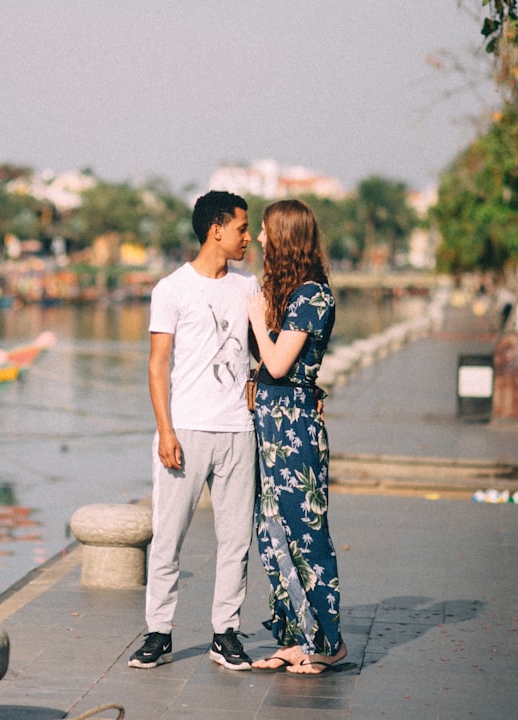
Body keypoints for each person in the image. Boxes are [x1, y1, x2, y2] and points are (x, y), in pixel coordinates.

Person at [128, 190, 260, 671]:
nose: (248, 237)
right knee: (168, 537)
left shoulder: (249, 287)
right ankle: (159, 633)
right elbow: (158, 363)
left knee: (235, 540)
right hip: (185, 429)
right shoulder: (172, 289)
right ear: (216, 230)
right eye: (242, 228)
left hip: (237, 431)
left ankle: (225, 633)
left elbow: (261, 350)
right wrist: (165, 431)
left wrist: (255, 383)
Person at [245, 198, 347, 675]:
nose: (261, 240)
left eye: (266, 232)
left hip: (295, 429)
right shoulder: (289, 294)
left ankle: (327, 642)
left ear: (285, 237)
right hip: (270, 426)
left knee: (306, 534)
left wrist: (256, 316)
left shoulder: (312, 295)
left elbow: (280, 365)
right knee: (272, 532)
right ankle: (293, 637)